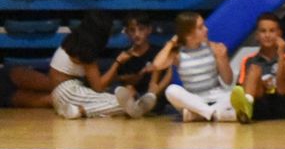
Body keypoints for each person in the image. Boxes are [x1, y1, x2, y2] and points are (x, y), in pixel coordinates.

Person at [20, 11, 157, 119]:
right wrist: (117, 63)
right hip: (69, 91)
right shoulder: (86, 48)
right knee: (122, 102)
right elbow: (98, 87)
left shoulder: (75, 39)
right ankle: (80, 110)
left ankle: (135, 106)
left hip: (63, 92)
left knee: (119, 100)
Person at [155, 12, 241, 123]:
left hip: (217, 98)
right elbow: (157, 65)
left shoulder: (213, 47)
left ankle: (199, 115)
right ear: (188, 34)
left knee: (235, 93)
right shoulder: (178, 54)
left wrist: (222, 58)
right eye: (200, 27)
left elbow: (228, 81)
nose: (206, 29)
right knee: (171, 90)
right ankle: (214, 114)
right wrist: (171, 43)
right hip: (193, 101)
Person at [237, 13, 285, 125]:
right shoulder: (248, 60)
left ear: (279, 34)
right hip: (259, 105)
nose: (267, 35)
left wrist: (281, 54)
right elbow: (241, 87)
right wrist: (262, 83)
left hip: (284, 102)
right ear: (257, 35)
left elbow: (282, 85)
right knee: (254, 69)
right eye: (263, 31)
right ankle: (246, 109)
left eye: (272, 31)